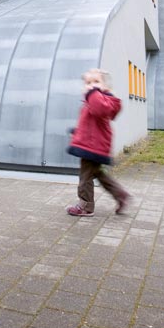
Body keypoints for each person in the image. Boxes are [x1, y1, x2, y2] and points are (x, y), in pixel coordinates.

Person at [65, 68, 131, 217]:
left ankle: (86, 206)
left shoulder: (102, 100)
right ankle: (120, 194)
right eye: (88, 83)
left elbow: (99, 110)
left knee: (85, 177)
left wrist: (92, 92)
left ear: (106, 86)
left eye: (96, 82)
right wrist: (78, 132)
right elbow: (91, 123)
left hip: (94, 146)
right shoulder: (94, 100)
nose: (92, 86)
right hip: (92, 144)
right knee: (97, 173)